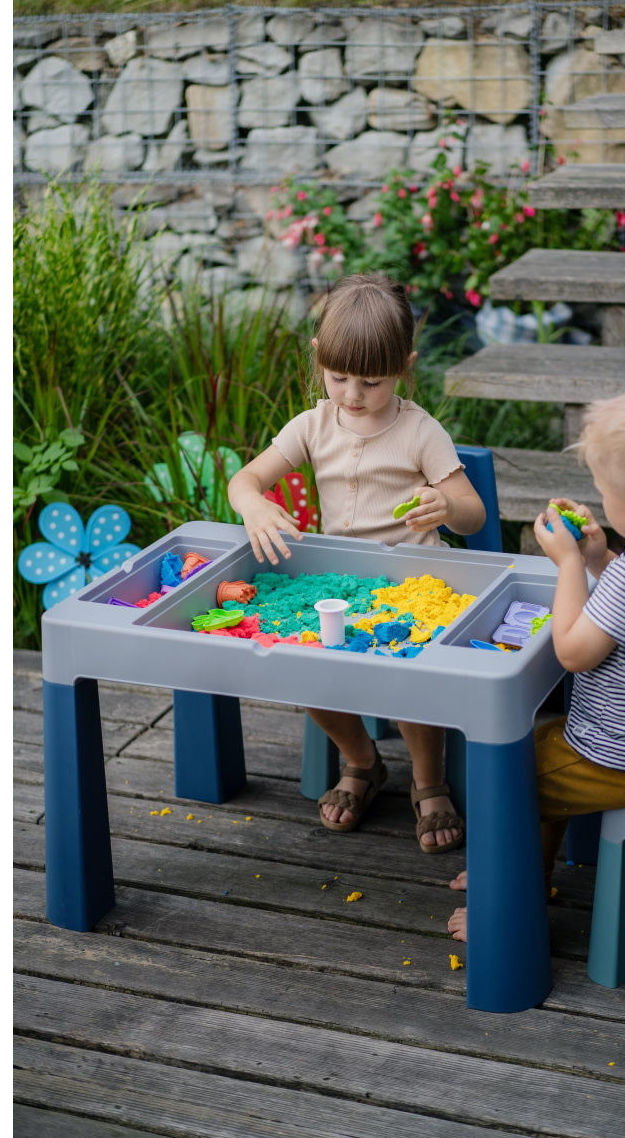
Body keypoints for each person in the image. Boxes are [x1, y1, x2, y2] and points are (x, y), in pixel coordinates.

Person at [446, 384, 625, 939]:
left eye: (603, 493)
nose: (598, 499)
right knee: (538, 748)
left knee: (507, 773)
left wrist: (571, 564)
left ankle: (508, 904)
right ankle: (528, 869)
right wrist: (602, 554)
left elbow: (573, 652)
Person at [227, 272, 487, 853]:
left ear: (405, 365)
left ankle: (429, 779)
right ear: (320, 357)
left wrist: (447, 505)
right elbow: (246, 479)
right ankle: (361, 761)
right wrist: (253, 507)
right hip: (340, 585)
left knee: (414, 675)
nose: (352, 394)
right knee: (305, 666)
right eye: (339, 376)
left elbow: (471, 514)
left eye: (371, 381)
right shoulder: (314, 425)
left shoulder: (420, 430)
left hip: (413, 583)